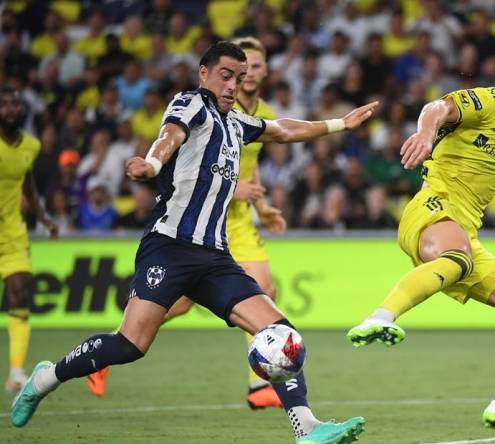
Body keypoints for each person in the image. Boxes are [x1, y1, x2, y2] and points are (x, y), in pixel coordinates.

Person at [11, 41, 377, 444]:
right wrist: (152, 163)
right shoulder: (191, 104)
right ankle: (46, 377)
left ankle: (306, 428)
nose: (233, 85)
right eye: (225, 75)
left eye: (238, 78)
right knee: (130, 344)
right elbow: (169, 135)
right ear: (203, 73)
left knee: (280, 331)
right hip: (168, 246)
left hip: (214, 256)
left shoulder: (237, 123)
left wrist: (340, 123)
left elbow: (283, 129)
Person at [347, 39, 495, 443]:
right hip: (430, 210)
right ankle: (380, 317)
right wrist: (426, 134)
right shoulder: (485, 102)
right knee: (457, 256)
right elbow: (437, 108)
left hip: (464, 239)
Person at [85, 36, 288, 410]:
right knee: (176, 305)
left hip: (237, 222)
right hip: (194, 222)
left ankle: (260, 383)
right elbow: (181, 151)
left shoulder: (263, 113)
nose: (251, 75)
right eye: (246, 69)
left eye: (258, 67)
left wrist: (264, 208)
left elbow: (249, 171)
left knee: (264, 291)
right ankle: (108, 352)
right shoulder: (205, 106)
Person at [0, 89, 58, 394]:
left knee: (20, 294)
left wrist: (44, 217)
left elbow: (27, 182)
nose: (11, 108)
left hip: (12, 232)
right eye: (5, 103)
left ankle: (16, 372)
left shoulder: (31, 146)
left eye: (16, 104)